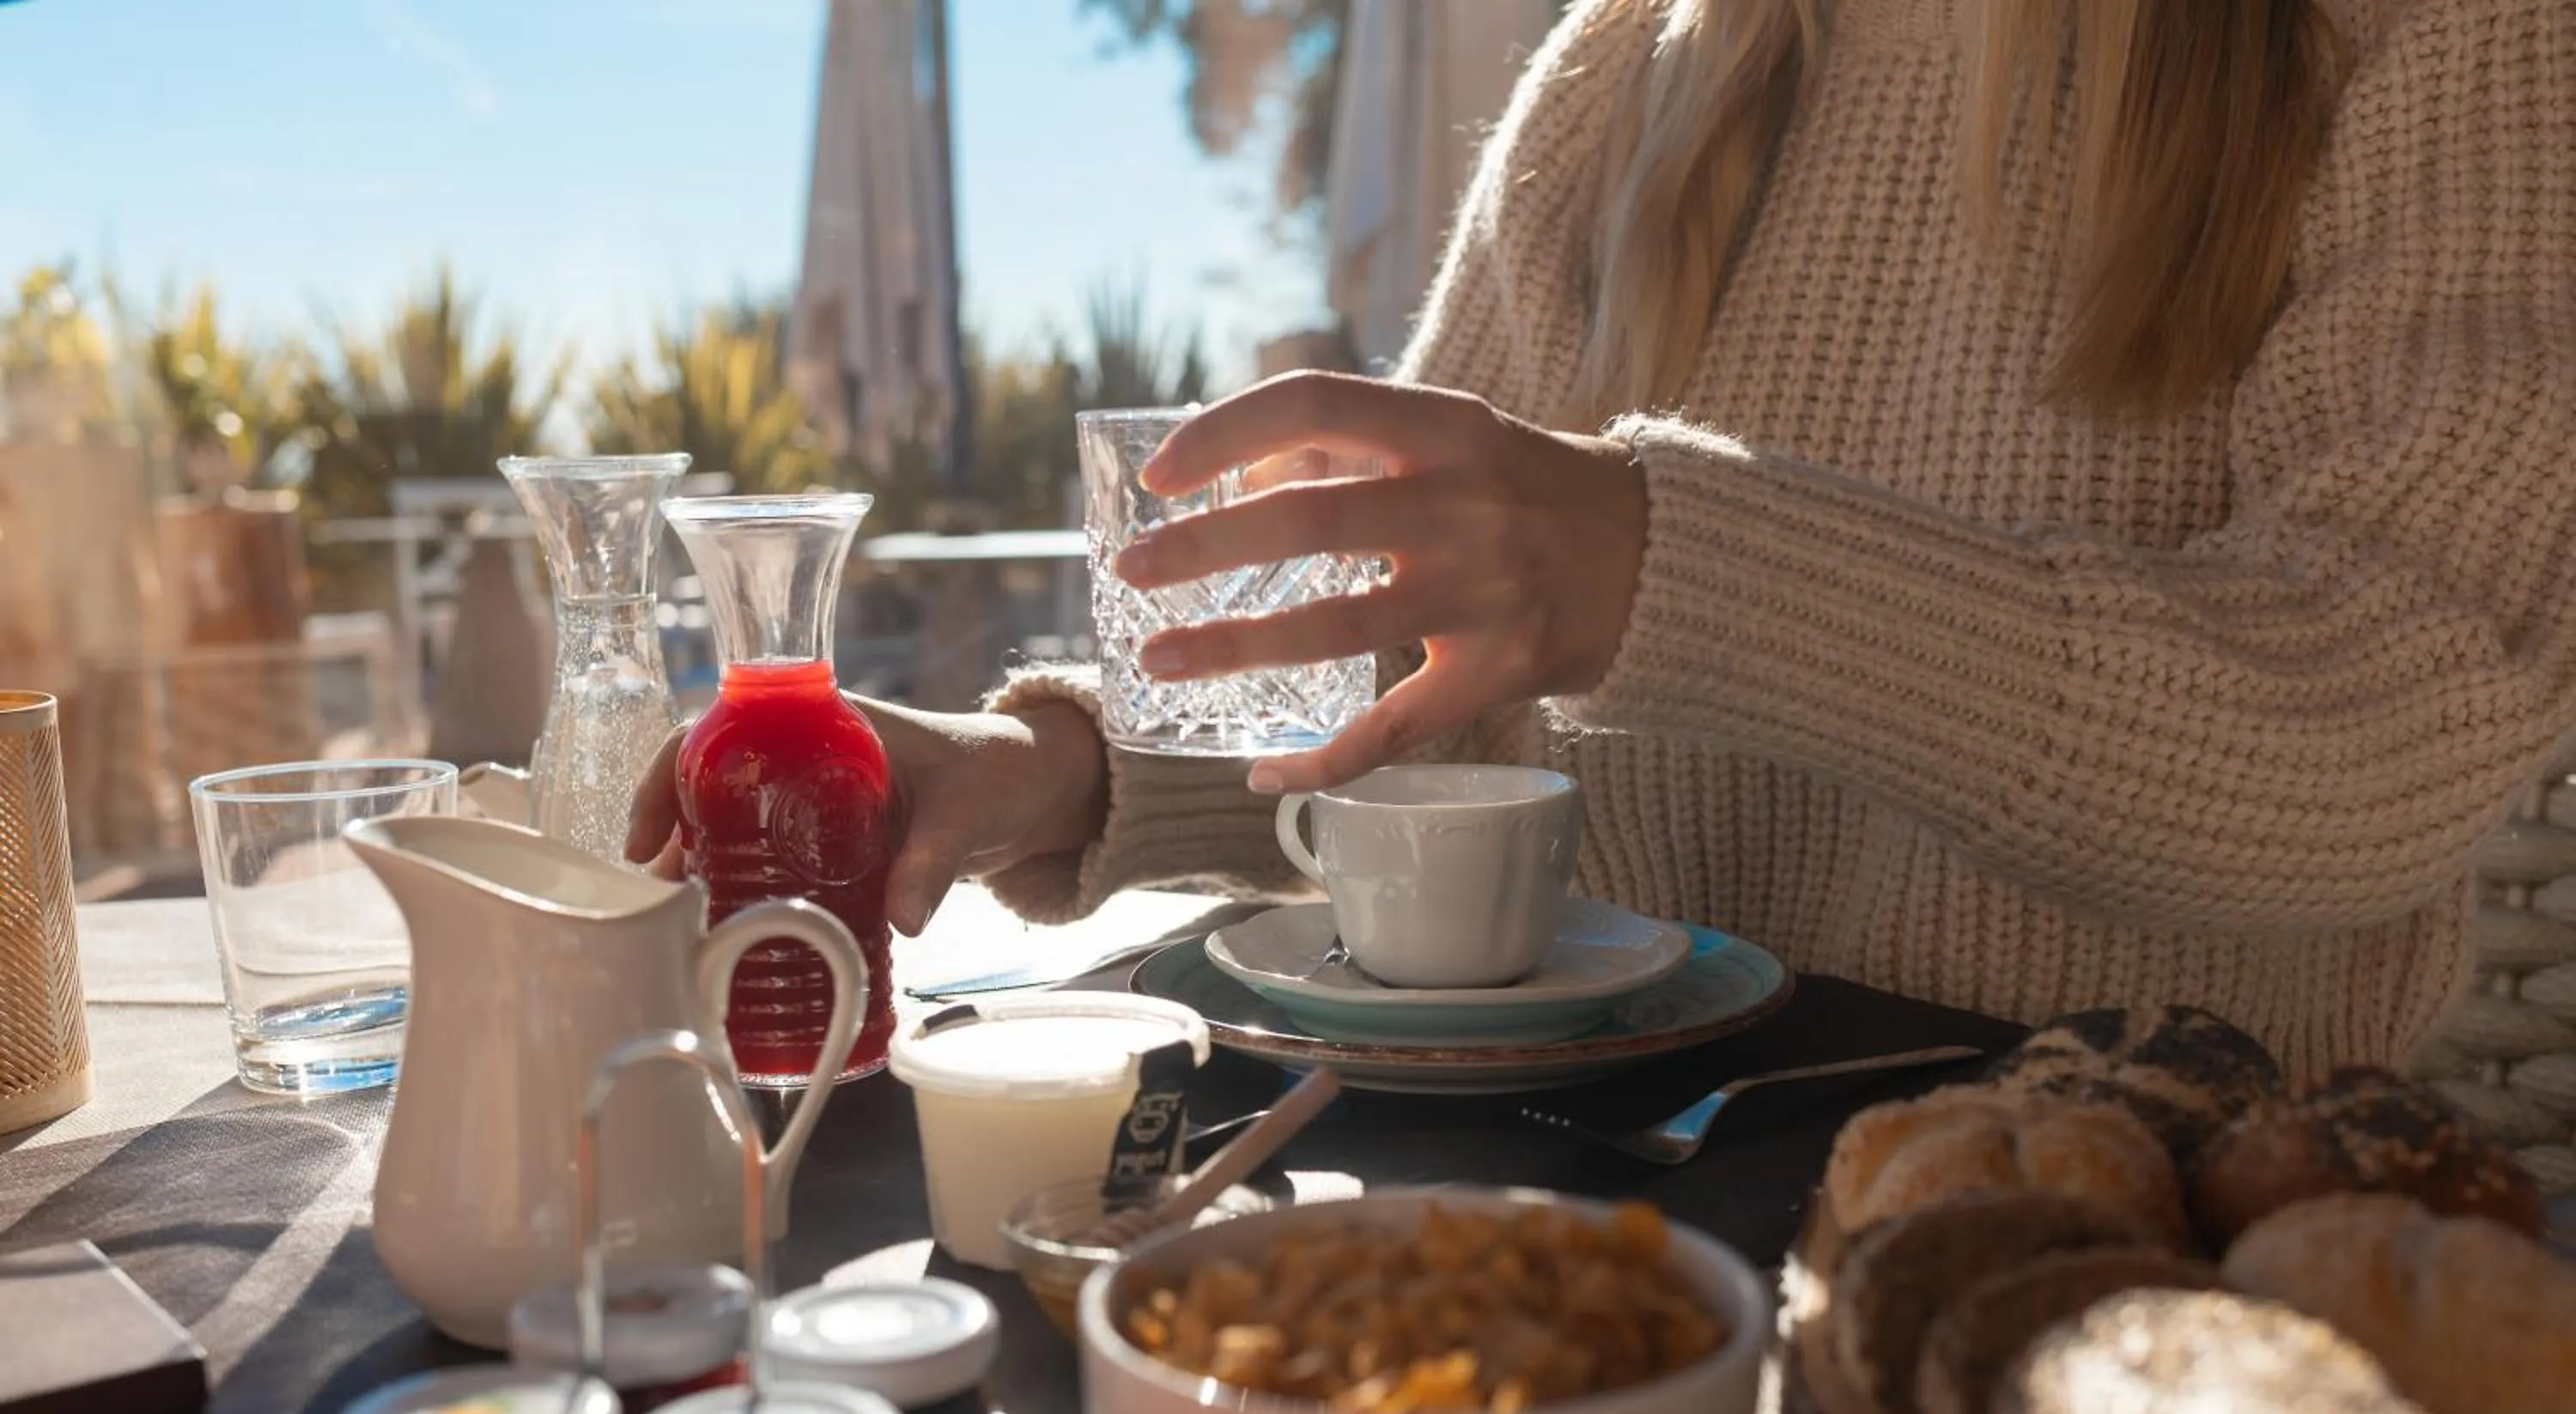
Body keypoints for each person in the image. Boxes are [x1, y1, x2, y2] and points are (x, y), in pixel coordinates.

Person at [634, 0, 2576, 1074]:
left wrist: (1664, 565)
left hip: (2156, 1242)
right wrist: (1048, 772)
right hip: (1608, 1186)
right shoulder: (1633, 70)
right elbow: (1426, 678)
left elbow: (2393, 720)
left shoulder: (2437, 38)